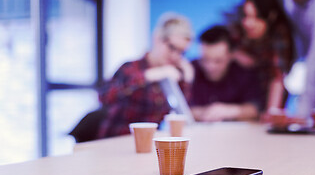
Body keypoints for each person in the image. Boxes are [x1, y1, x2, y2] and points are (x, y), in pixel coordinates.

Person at [70, 13, 194, 142]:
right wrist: (150, 75)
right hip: (115, 142)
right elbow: (104, 97)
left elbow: (181, 115)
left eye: (181, 52)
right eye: (172, 47)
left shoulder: (173, 75)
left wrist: (187, 81)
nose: (175, 56)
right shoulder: (131, 68)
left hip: (147, 143)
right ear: (157, 39)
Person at [225, 0, 294, 115]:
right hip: (243, 102)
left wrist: (271, 114)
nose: (248, 23)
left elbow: (277, 77)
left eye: (256, 17)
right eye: (246, 16)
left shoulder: (279, 35)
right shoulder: (237, 31)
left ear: (271, 16)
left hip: (266, 101)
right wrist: (234, 54)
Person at [190, 25, 261, 122]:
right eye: (205, 60)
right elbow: (178, 108)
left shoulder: (243, 72)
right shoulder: (190, 70)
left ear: (231, 55)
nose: (210, 67)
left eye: (218, 61)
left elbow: (256, 108)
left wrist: (231, 111)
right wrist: (204, 112)